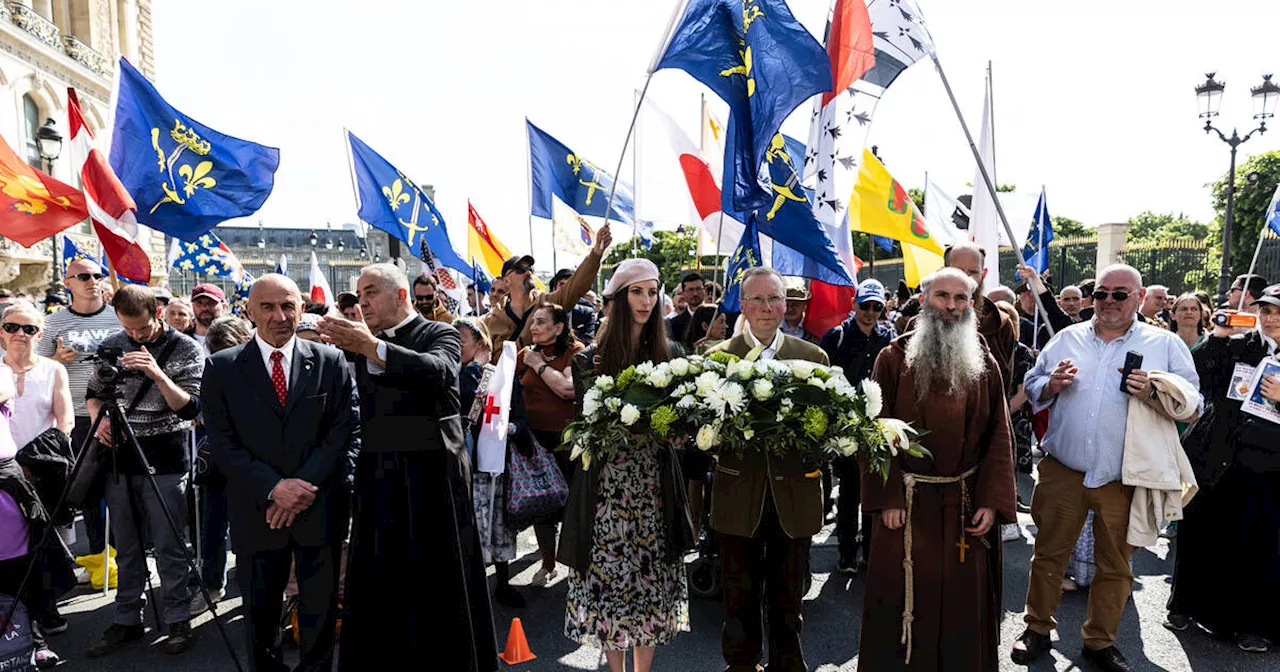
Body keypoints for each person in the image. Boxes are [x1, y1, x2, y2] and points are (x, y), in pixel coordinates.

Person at [1013, 264, 1201, 672]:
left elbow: (1194, 403)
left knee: (1116, 565)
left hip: (1124, 476)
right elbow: (1031, 383)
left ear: (1139, 297)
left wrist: (1153, 391)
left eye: (1119, 294)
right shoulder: (1067, 338)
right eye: (1101, 294)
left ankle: (1100, 642)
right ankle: (1037, 630)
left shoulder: (1164, 345)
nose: (1109, 302)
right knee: (1048, 555)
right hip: (1064, 470)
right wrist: (1050, 386)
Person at [317, 264, 498, 672]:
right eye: (359, 295)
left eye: (371, 292)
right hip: (380, 476)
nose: (362, 302)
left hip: (432, 477)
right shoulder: (368, 342)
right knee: (383, 575)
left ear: (400, 295)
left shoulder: (441, 333)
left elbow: (438, 372)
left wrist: (372, 349)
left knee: (438, 574)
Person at [858, 267, 1016, 670]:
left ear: (972, 305)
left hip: (964, 502)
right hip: (907, 505)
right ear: (924, 299)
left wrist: (992, 501)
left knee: (963, 607)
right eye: (942, 296)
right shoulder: (892, 357)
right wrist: (887, 496)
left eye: (961, 298)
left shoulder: (985, 360)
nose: (951, 306)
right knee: (903, 603)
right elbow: (875, 431)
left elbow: (999, 433)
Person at [202, 275, 356, 671]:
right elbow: (222, 442)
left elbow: (343, 430)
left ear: (301, 309)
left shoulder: (329, 360)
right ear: (249, 311)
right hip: (258, 511)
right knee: (260, 613)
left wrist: (302, 488)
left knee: (320, 611)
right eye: (268, 307)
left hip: (318, 508)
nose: (279, 316)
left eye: (288, 305)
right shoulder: (222, 367)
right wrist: (274, 488)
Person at [560, 258, 690, 672]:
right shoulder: (590, 361)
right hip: (606, 493)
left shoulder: (673, 356)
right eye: (637, 291)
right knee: (610, 586)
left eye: (653, 292)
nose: (647, 301)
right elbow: (584, 428)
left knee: (651, 586)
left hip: (654, 488)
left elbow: (682, 425)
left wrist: (678, 432)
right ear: (618, 298)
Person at [707, 267, 829, 672]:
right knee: (738, 595)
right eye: (756, 299)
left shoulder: (813, 358)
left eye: (774, 299)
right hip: (738, 496)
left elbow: (825, 429)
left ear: (785, 305)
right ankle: (741, 664)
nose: (766, 307)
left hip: (794, 498)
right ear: (742, 305)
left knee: (788, 597)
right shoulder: (716, 359)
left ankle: (788, 664)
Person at [84, 286, 205, 658]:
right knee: (127, 544)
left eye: (142, 328)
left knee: (169, 543)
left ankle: (178, 617)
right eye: (128, 329)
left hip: (166, 455)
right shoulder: (113, 341)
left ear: (158, 312)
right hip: (120, 456)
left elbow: (189, 409)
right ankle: (127, 618)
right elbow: (94, 392)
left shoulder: (185, 347)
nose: (134, 336)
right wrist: (97, 421)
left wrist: (157, 374)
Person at [1166, 283, 1280, 652]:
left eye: (1278, 312)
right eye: (1265, 310)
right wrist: (1216, 337)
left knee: (1258, 545)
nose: (1270, 318)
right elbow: (1196, 373)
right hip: (1219, 456)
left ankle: (1252, 625)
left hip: (1268, 467)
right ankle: (1183, 605)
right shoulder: (1239, 345)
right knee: (1200, 532)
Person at [36, 258, 120, 560]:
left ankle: (127, 555)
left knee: (124, 490)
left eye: (97, 275)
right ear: (67, 282)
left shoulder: (118, 316)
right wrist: (57, 361)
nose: (92, 281)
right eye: (83, 276)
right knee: (88, 492)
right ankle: (98, 555)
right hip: (78, 418)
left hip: (122, 416)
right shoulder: (54, 323)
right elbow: (34, 368)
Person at [819, 279, 896, 576]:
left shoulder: (889, 338)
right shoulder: (835, 337)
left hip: (878, 424)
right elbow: (821, 378)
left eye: (877, 307)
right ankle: (847, 554)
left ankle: (870, 552)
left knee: (874, 491)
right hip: (845, 425)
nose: (870, 312)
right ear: (854, 304)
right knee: (850, 491)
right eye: (865, 305)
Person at [0, 363, 74, 669]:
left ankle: (32, 641)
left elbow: (3, 391)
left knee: (19, 566)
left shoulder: (2, 371)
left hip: (4, 482)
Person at [515, 303, 584, 588]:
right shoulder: (525, 353)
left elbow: (567, 390)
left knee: (574, 506)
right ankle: (547, 563)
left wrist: (536, 364)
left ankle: (579, 568)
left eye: (541, 322)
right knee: (541, 504)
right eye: (532, 322)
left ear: (559, 327)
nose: (533, 327)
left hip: (568, 441)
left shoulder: (575, 351)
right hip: (535, 441)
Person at [455, 318, 522, 608]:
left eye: (462, 342)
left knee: (497, 525)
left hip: (494, 461)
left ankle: (503, 583)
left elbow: (520, 416)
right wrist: (472, 369)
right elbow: (467, 396)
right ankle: (471, 586)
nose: (456, 347)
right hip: (463, 460)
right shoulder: (455, 374)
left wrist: (510, 429)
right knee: (471, 525)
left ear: (481, 344)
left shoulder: (501, 375)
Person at [478, 224, 609, 362]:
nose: (528, 273)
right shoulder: (490, 321)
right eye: (521, 270)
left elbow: (575, 287)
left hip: (547, 381)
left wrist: (596, 253)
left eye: (530, 269)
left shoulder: (547, 303)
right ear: (506, 280)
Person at [943, 243, 1016, 388]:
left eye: (973, 272)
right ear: (944, 271)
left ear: (984, 274)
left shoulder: (1000, 323)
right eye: (958, 271)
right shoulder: (922, 323)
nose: (965, 278)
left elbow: (1004, 388)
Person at [551, 269, 600, 345]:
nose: (566, 290)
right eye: (562, 285)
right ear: (554, 289)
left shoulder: (586, 313)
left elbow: (588, 341)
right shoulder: (544, 312)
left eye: (570, 286)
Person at [666, 272, 705, 343]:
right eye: (691, 290)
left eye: (698, 289)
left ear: (704, 290)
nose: (695, 294)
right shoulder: (673, 324)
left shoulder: (716, 318)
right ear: (683, 293)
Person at [190, 283, 226, 348]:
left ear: (224, 307)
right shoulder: (179, 342)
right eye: (199, 303)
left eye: (211, 303)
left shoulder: (234, 339)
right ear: (192, 307)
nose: (204, 308)